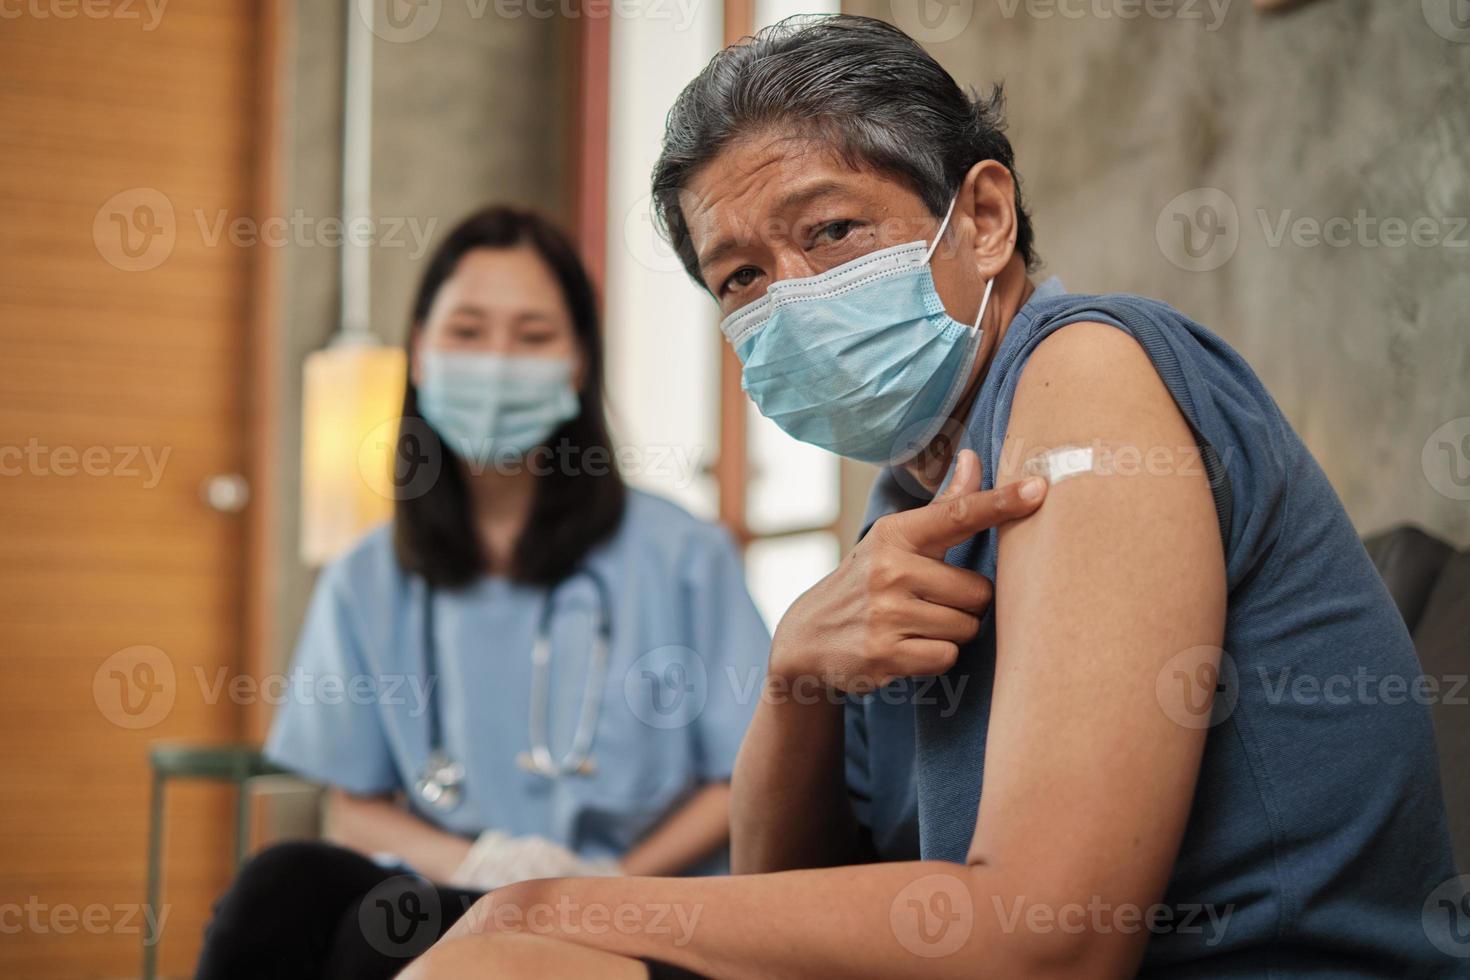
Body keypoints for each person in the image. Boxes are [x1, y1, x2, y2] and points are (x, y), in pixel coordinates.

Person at [406, 16, 1462, 979]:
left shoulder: (1086, 371)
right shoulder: (903, 511)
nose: (791, 295)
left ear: (985, 215)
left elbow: (1054, 937)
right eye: (739, 278)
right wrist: (795, 683)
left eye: (828, 232)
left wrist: (542, 904)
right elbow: (784, 915)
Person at [194, 205, 773, 979]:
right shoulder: (367, 578)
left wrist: (606, 886)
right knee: (283, 885)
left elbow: (739, 777)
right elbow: (351, 805)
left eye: (532, 336)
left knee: (382, 943)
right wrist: (490, 863)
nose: (497, 359)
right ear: (422, 356)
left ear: (576, 367)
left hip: (643, 902)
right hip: (462, 885)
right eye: (467, 331)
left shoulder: (683, 556)